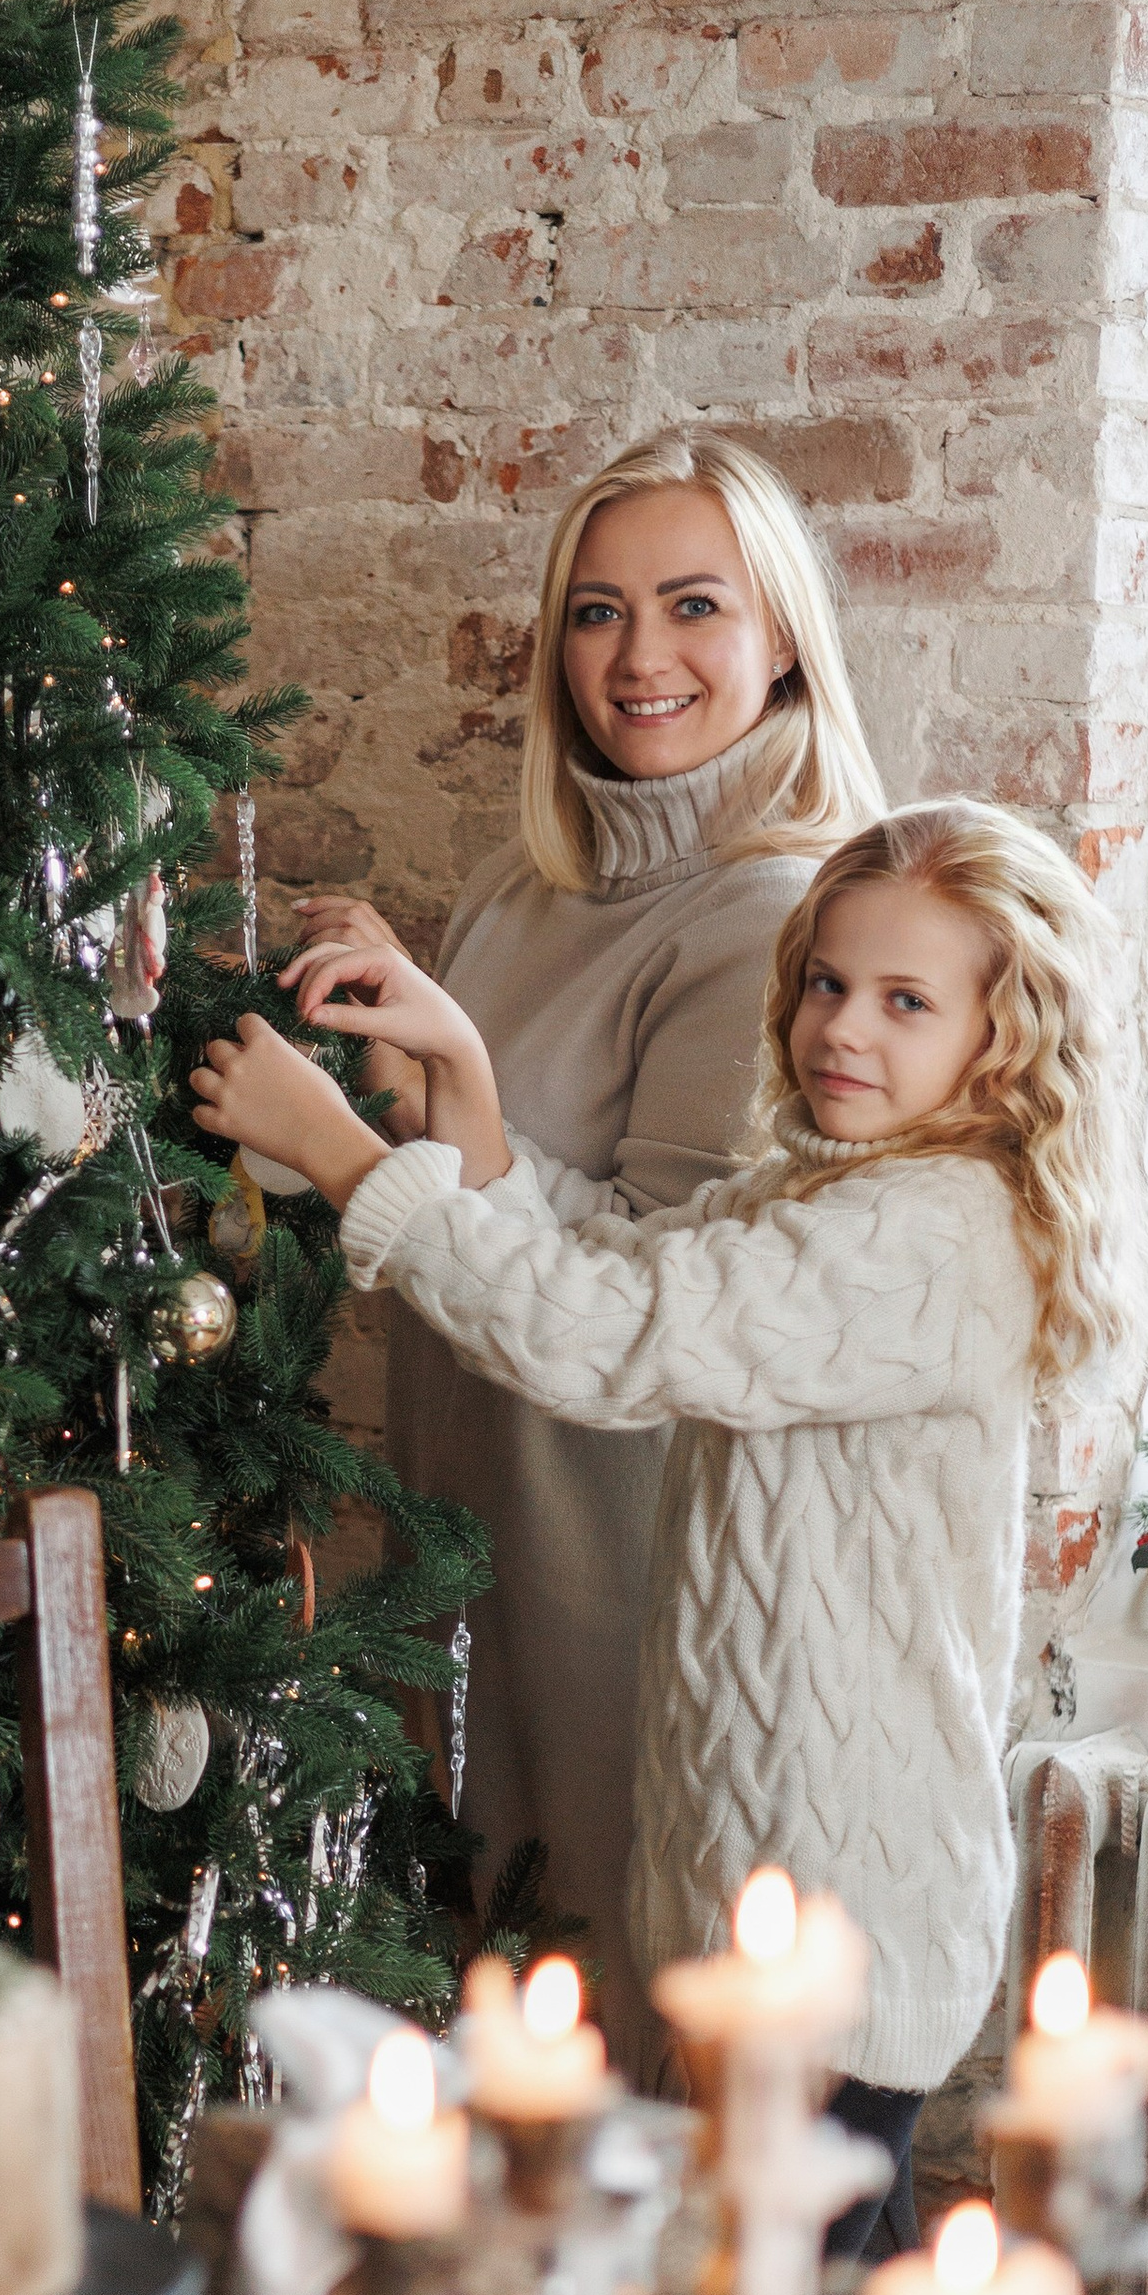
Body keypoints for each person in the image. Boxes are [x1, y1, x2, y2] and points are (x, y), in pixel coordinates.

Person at [192, 802, 1135, 2258]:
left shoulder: (932, 1234)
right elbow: (628, 1263)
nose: (843, 1031)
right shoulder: (839, 1191)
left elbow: (607, 1342)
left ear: (1005, 1042)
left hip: (841, 1902)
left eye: (905, 1002)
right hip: (760, 1868)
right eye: (826, 981)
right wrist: (463, 1088)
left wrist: (340, 1160)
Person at [292, 432, 883, 2072]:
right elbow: (476, 1183)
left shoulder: (772, 920)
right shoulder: (520, 885)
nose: (638, 659)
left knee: (623, 2070)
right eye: (596, 612)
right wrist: (408, 1051)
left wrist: (422, 1115)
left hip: (618, 1569)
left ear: (780, 637)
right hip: (466, 1521)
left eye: (694, 606)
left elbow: (646, 1297)